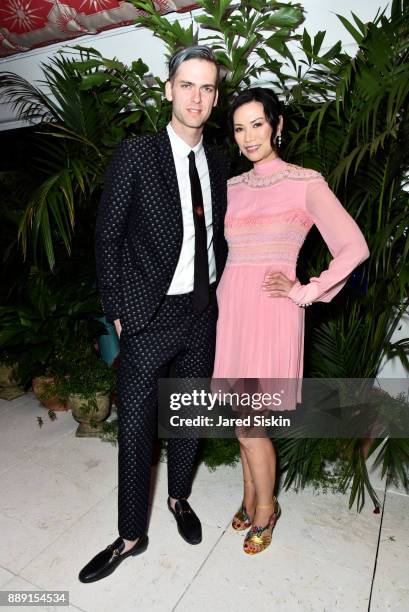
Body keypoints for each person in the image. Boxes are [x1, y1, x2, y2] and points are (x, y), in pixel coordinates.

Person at [79, 46, 229, 583]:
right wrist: (118, 311)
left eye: (207, 88)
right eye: (187, 85)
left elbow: (218, 235)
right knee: (138, 429)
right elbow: (108, 238)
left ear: (215, 97)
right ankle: (129, 535)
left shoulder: (218, 160)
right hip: (147, 314)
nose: (197, 97)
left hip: (201, 310)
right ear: (168, 90)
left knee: (188, 415)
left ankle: (180, 498)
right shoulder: (137, 155)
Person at [212, 87, 369, 555]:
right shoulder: (233, 187)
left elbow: (354, 247)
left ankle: (267, 511)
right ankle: (248, 498)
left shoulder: (305, 182)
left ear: (277, 125)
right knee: (241, 420)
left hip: (272, 313)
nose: (248, 136)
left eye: (257, 124)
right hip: (233, 311)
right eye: (239, 128)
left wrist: (308, 291)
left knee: (251, 425)